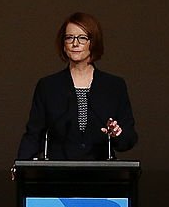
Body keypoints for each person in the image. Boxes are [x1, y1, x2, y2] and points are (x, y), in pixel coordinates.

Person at [17, 13, 137, 161]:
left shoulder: (114, 86)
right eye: (69, 38)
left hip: (102, 175)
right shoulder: (48, 86)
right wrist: (21, 166)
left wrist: (117, 134)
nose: (75, 43)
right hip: (57, 175)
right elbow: (34, 135)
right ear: (63, 44)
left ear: (93, 42)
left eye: (82, 38)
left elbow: (129, 139)